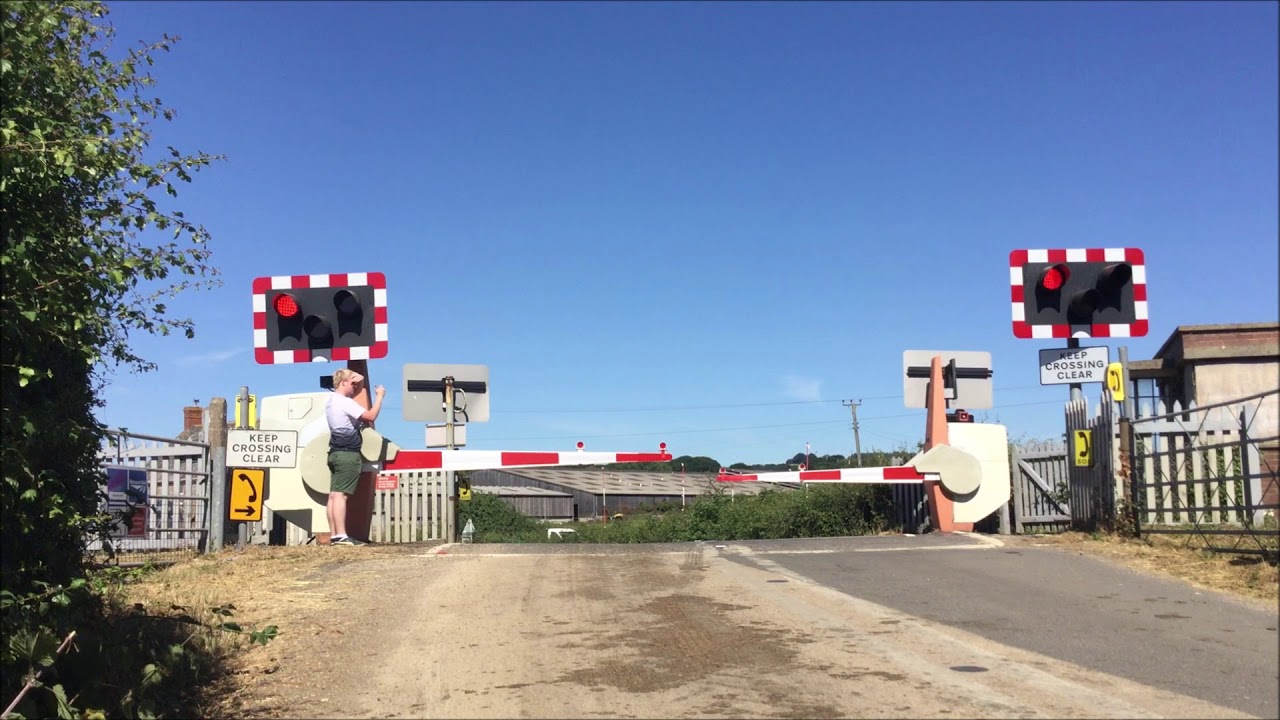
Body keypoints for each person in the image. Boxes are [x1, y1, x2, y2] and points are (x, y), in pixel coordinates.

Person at [325, 368, 385, 546]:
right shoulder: (345, 402)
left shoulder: (331, 402)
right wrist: (380, 395)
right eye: (352, 383)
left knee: (334, 495)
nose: (355, 387)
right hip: (348, 454)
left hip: (335, 452)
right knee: (341, 496)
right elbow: (370, 416)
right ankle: (342, 535)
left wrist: (355, 377)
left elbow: (353, 383)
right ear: (343, 382)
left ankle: (335, 535)